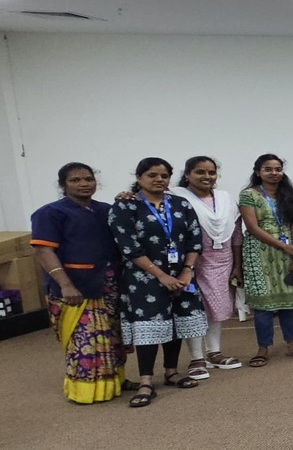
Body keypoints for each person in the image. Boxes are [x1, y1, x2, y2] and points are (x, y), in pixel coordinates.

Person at [110, 157, 207, 407]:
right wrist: (161, 276)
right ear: (139, 177)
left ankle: (172, 371)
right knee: (149, 329)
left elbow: (195, 239)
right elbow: (128, 246)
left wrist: (186, 271)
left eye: (164, 176)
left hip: (181, 275)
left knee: (176, 324)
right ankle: (145, 381)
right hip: (144, 279)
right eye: (152, 175)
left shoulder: (180, 204)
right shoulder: (126, 206)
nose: (159, 180)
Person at [31, 163, 127, 404]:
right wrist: (65, 284)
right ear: (63, 185)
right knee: (86, 341)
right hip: (76, 288)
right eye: (75, 180)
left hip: (108, 285)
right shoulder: (50, 213)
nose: (84, 184)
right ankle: (85, 390)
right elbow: (43, 251)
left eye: (88, 179)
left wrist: (128, 200)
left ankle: (115, 382)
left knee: (112, 338)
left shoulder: (105, 210)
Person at [171, 157, 242, 377]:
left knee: (216, 308)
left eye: (211, 172)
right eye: (200, 172)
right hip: (189, 262)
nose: (207, 177)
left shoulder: (225, 198)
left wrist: (238, 265)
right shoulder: (175, 196)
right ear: (187, 175)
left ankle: (214, 353)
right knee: (193, 308)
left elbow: (237, 232)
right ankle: (196, 358)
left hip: (222, 260)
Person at [237, 154, 293, 366]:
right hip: (259, 253)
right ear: (258, 171)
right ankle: (263, 348)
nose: (274, 173)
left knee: (290, 300)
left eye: (278, 169)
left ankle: (292, 343)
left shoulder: (291, 196)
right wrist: (284, 246)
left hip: (288, 254)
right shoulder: (248, 195)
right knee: (263, 304)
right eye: (268, 169)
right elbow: (252, 228)